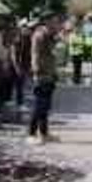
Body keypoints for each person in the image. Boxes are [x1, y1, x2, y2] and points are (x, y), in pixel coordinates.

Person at [29, 11, 61, 146]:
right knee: (39, 106)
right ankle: (31, 134)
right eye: (54, 21)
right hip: (42, 74)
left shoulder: (49, 35)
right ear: (47, 21)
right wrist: (37, 72)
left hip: (49, 73)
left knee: (46, 106)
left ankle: (44, 133)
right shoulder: (40, 35)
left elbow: (54, 48)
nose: (57, 24)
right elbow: (35, 54)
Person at [11, 20, 33, 108]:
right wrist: (16, 66)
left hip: (24, 64)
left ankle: (19, 102)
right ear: (21, 28)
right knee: (18, 84)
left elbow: (30, 53)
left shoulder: (28, 39)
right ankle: (18, 102)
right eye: (24, 27)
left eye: (27, 27)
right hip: (17, 65)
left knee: (21, 84)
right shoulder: (18, 39)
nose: (26, 29)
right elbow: (13, 54)